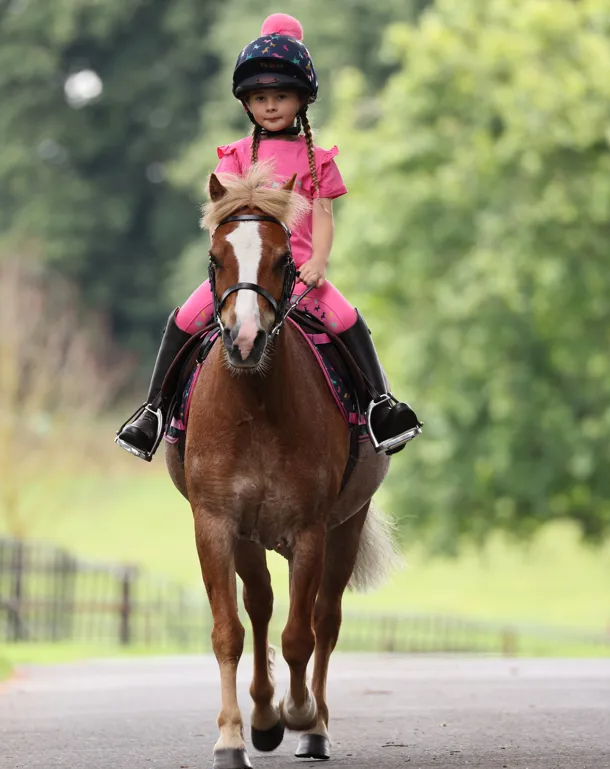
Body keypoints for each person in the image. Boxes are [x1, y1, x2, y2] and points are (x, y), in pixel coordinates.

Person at [116, 13, 421, 461]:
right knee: (182, 320)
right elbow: (221, 216)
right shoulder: (235, 156)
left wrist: (318, 262)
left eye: (281, 96)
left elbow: (323, 215)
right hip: (241, 275)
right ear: (247, 104)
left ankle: (380, 406)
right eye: (261, 98)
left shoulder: (318, 160)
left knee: (348, 320)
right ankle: (154, 411)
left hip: (298, 279)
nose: (271, 106)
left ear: (301, 101)